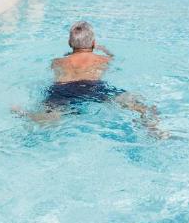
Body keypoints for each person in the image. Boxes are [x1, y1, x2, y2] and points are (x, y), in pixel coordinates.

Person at [13, 21, 166, 138]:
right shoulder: (103, 59)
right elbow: (114, 60)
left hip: (62, 89)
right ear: (93, 43)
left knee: (49, 118)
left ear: (70, 43)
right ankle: (153, 129)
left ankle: (25, 114)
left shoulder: (57, 62)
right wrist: (105, 50)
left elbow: (61, 64)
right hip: (93, 87)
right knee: (143, 107)